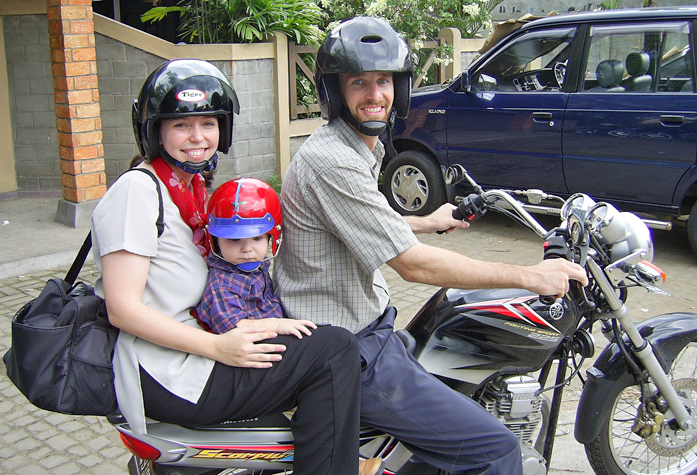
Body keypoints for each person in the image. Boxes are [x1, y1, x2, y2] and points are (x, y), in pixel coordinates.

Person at [274, 17, 589, 475]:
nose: (374, 94)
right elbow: (415, 268)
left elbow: (357, 221)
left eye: (383, 81)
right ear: (335, 92)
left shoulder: (359, 146)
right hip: (351, 348)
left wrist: (423, 221)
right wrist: (531, 276)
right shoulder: (332, 160)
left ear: (399, 89)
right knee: (495, 451)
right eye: (358, 82)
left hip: (364, 328)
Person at [91, 59, 372, 475]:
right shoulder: (137, 191)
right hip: (171, 370)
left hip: (195, 351)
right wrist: (217, 347)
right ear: (155, 131)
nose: (197, 138)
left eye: (208, 123)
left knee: (318, 335)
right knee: (335, 352)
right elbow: (122, 309)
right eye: (181, 125)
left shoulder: (191, 190)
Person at [195, 177, 315, 338]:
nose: (247, 249)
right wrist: (277, 324)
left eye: (257, 238)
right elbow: (232, 326)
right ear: (215, 240)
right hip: (252, 345)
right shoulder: (223, 285)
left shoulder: (254, 264)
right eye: (234, 239)